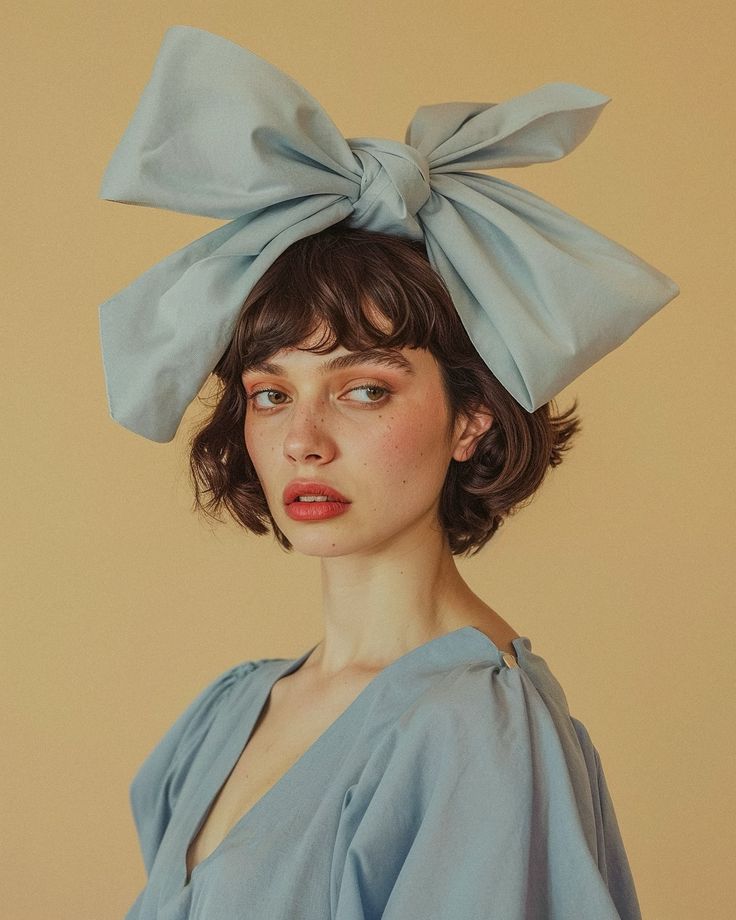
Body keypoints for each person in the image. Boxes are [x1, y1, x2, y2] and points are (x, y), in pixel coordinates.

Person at [98, 26, 679, 920]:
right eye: (270, 395)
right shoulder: (233, 710)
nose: (305, 439)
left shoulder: (474, 730)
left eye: (363, 390)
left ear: (470, 416)